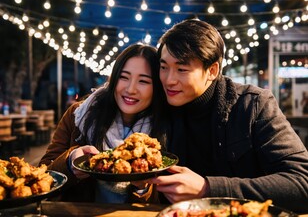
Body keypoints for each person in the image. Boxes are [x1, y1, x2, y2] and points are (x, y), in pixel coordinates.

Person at [146, 19, 308, 214]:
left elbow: (302, 182)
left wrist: (208, 189)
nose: (169, 80)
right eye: (164, 67)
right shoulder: (158, 106)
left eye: (182, 69)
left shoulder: (253, 105)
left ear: (212, 71)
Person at [39, 43, 168, 203]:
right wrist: (69, 162)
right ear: (114, 79)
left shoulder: (165, 126)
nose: (131, 89)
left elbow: (165, 200)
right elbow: (43, 175)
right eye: (123, 77)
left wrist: (142, 188)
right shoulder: (79, 114)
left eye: (143, 81)